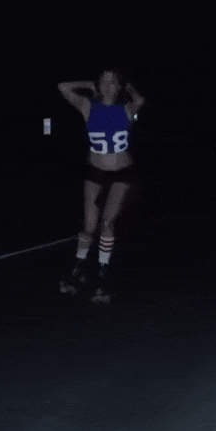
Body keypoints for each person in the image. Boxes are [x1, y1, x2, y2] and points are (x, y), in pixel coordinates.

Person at [56, 70, 145, 303]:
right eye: (103, 80)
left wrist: (129, 88)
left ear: (119, 87)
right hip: (95, 173)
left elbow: (140, 100)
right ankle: (78, 268)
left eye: (112, 81)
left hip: (122, 174)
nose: (107, 84)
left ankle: (103, 275)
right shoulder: (87, 106)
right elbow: (63, 86)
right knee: (88, 227)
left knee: (107, 223)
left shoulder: (127, 109)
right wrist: (89, 84)